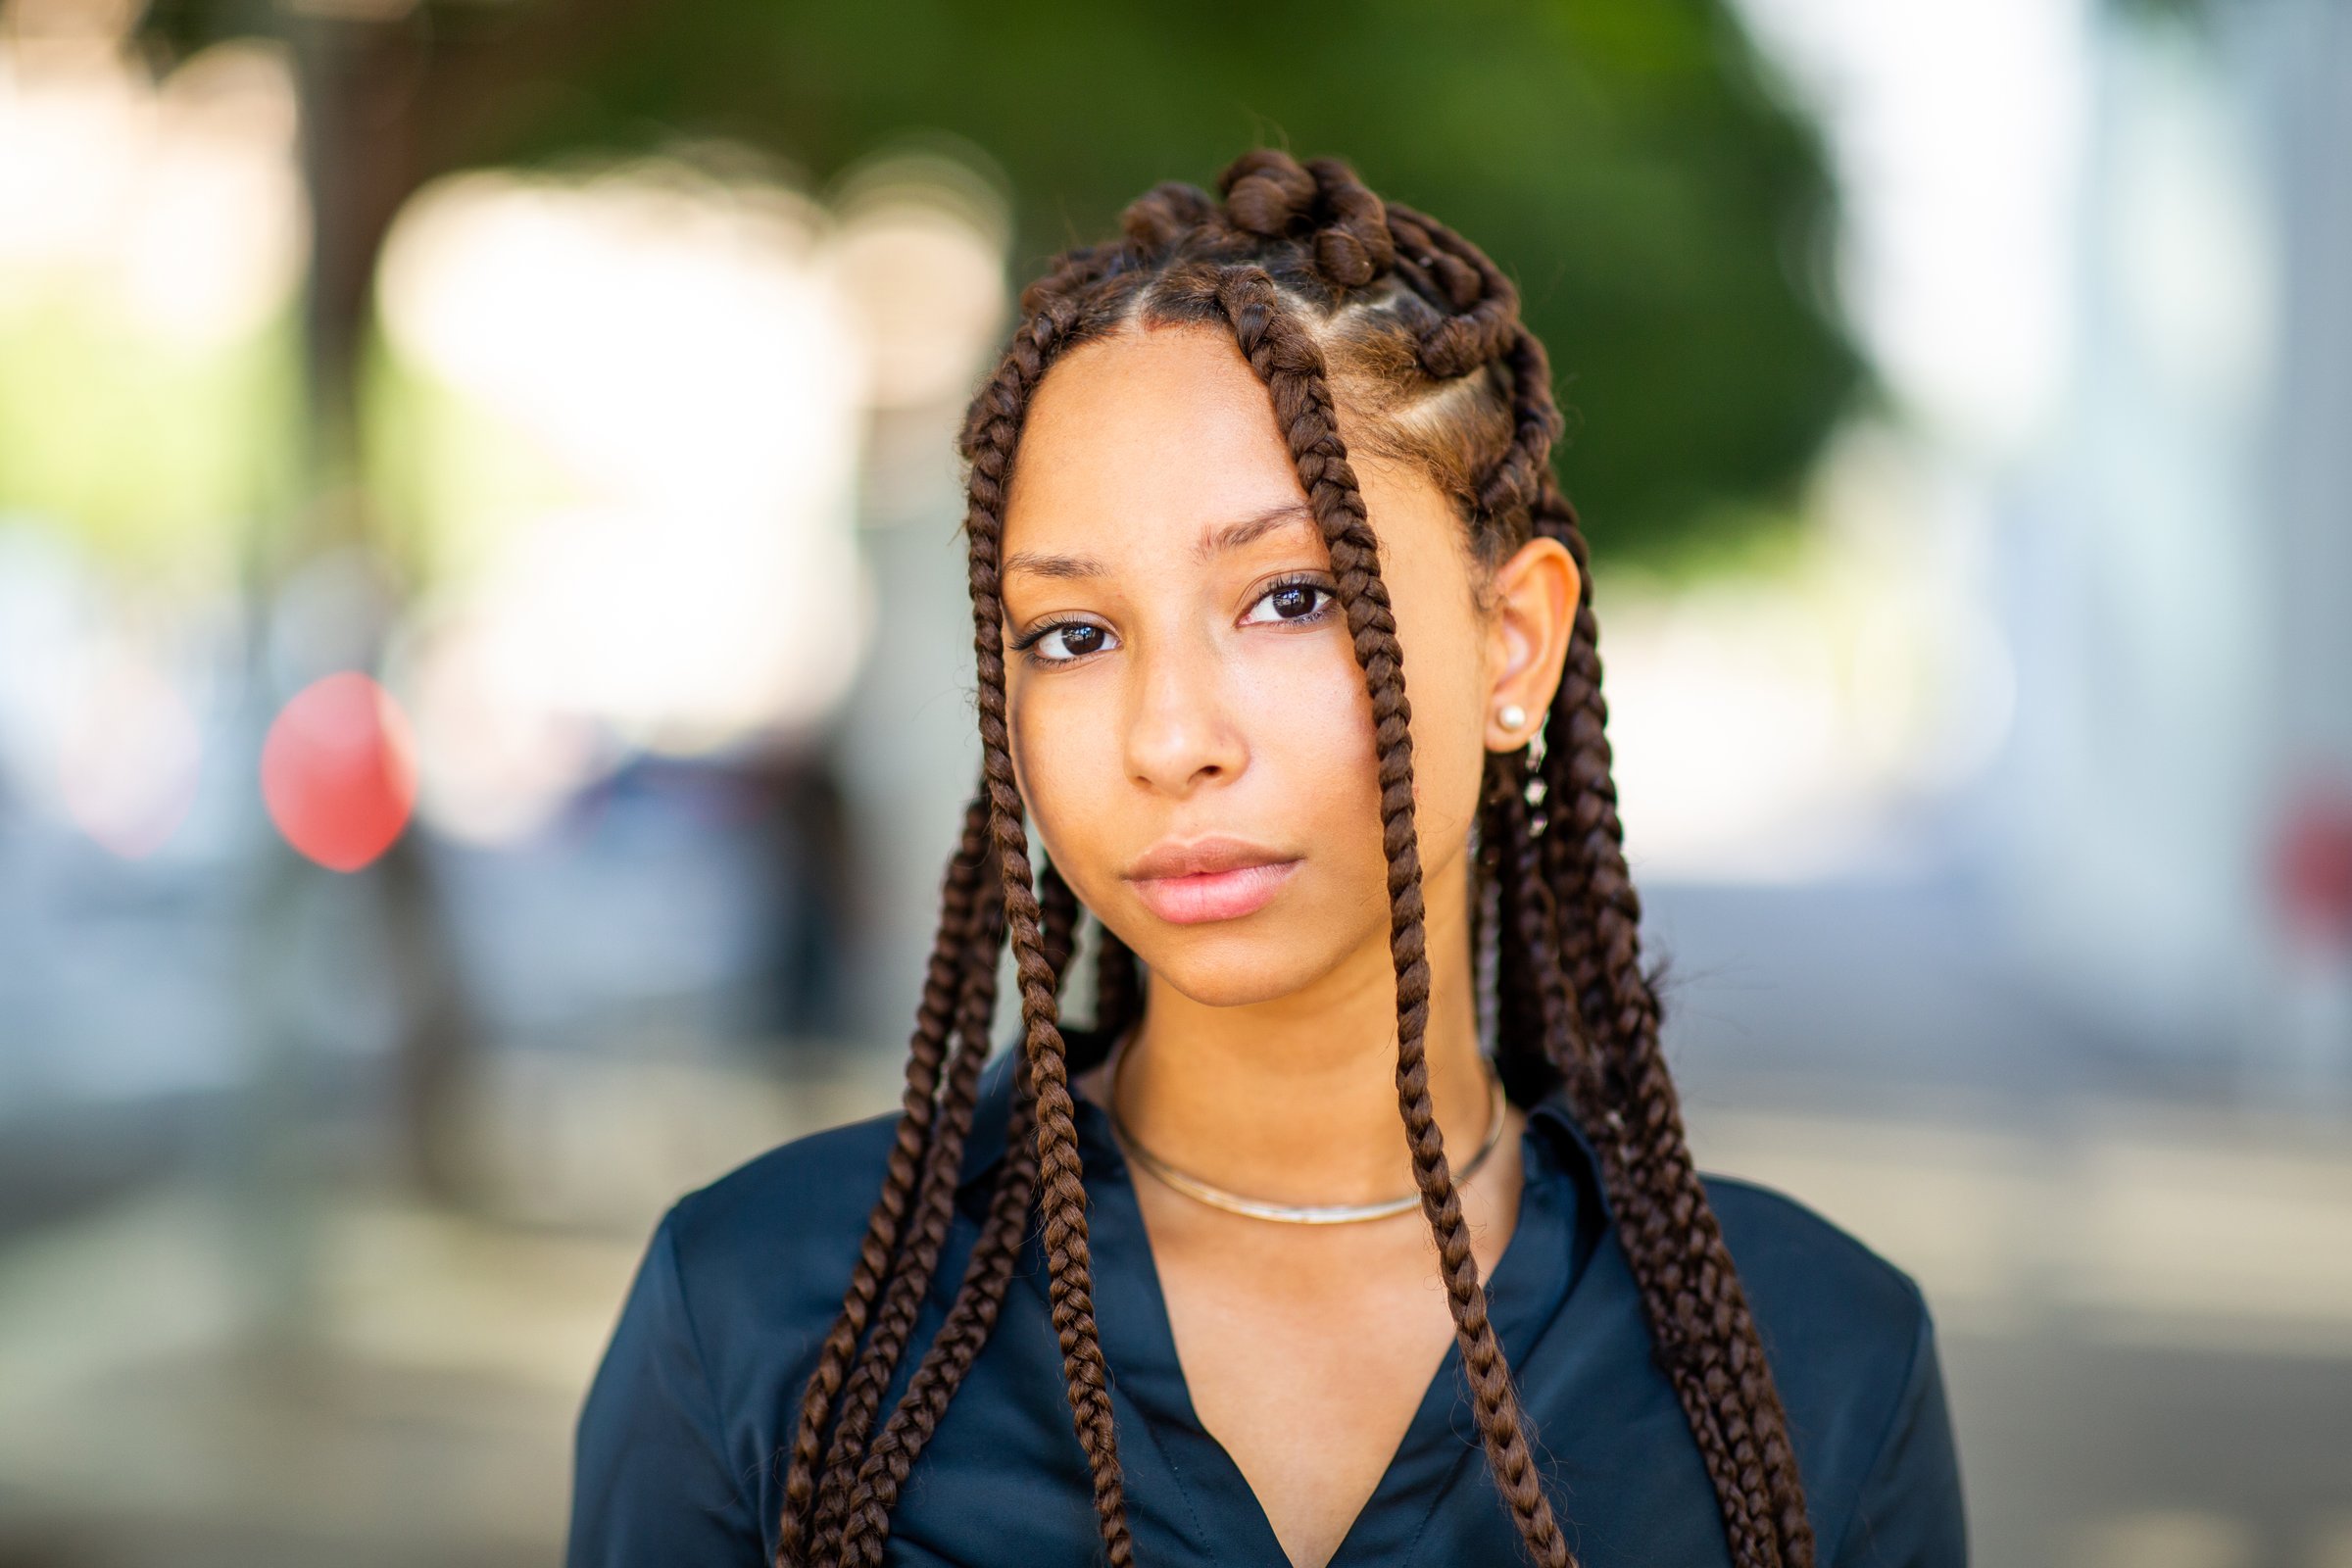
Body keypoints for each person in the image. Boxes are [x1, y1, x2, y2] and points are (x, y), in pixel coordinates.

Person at [565, 149, 1966, 1568]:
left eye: (1291, 599)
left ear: (1515, 645)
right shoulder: (765, 1317)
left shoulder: (1815, 1364)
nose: (1171, 737)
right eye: (1074, 635)